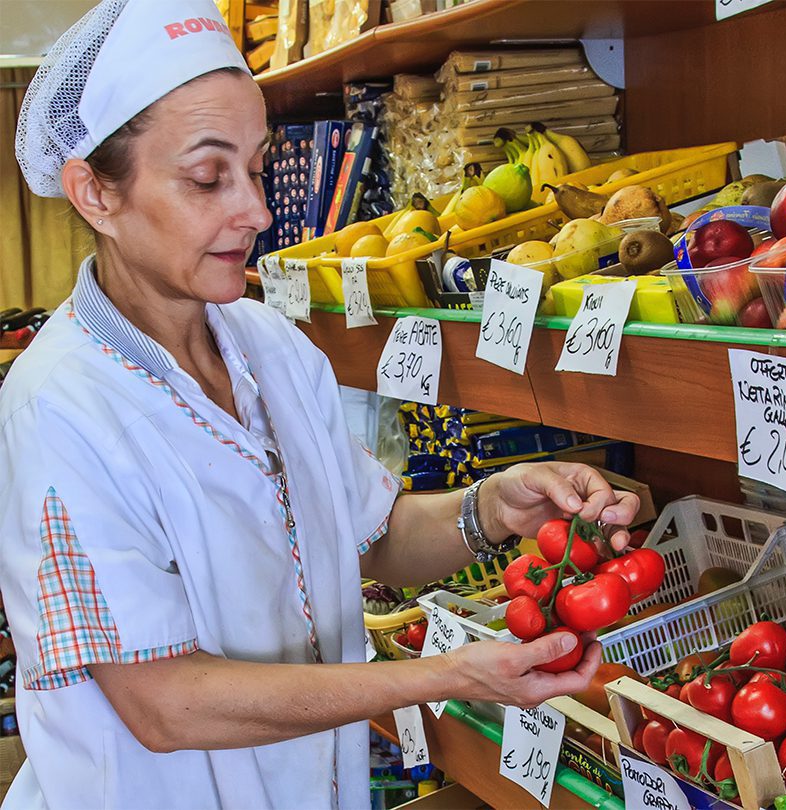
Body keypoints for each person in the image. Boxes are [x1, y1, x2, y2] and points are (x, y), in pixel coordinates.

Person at [0, 1, 635, 807]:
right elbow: (162, 703)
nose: (256, 212)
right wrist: (439, 675)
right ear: (95, 193)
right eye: (207, 177)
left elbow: (369, 536)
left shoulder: (270, 346)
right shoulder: (59, 410)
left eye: (259, 168)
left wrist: (492, 507)